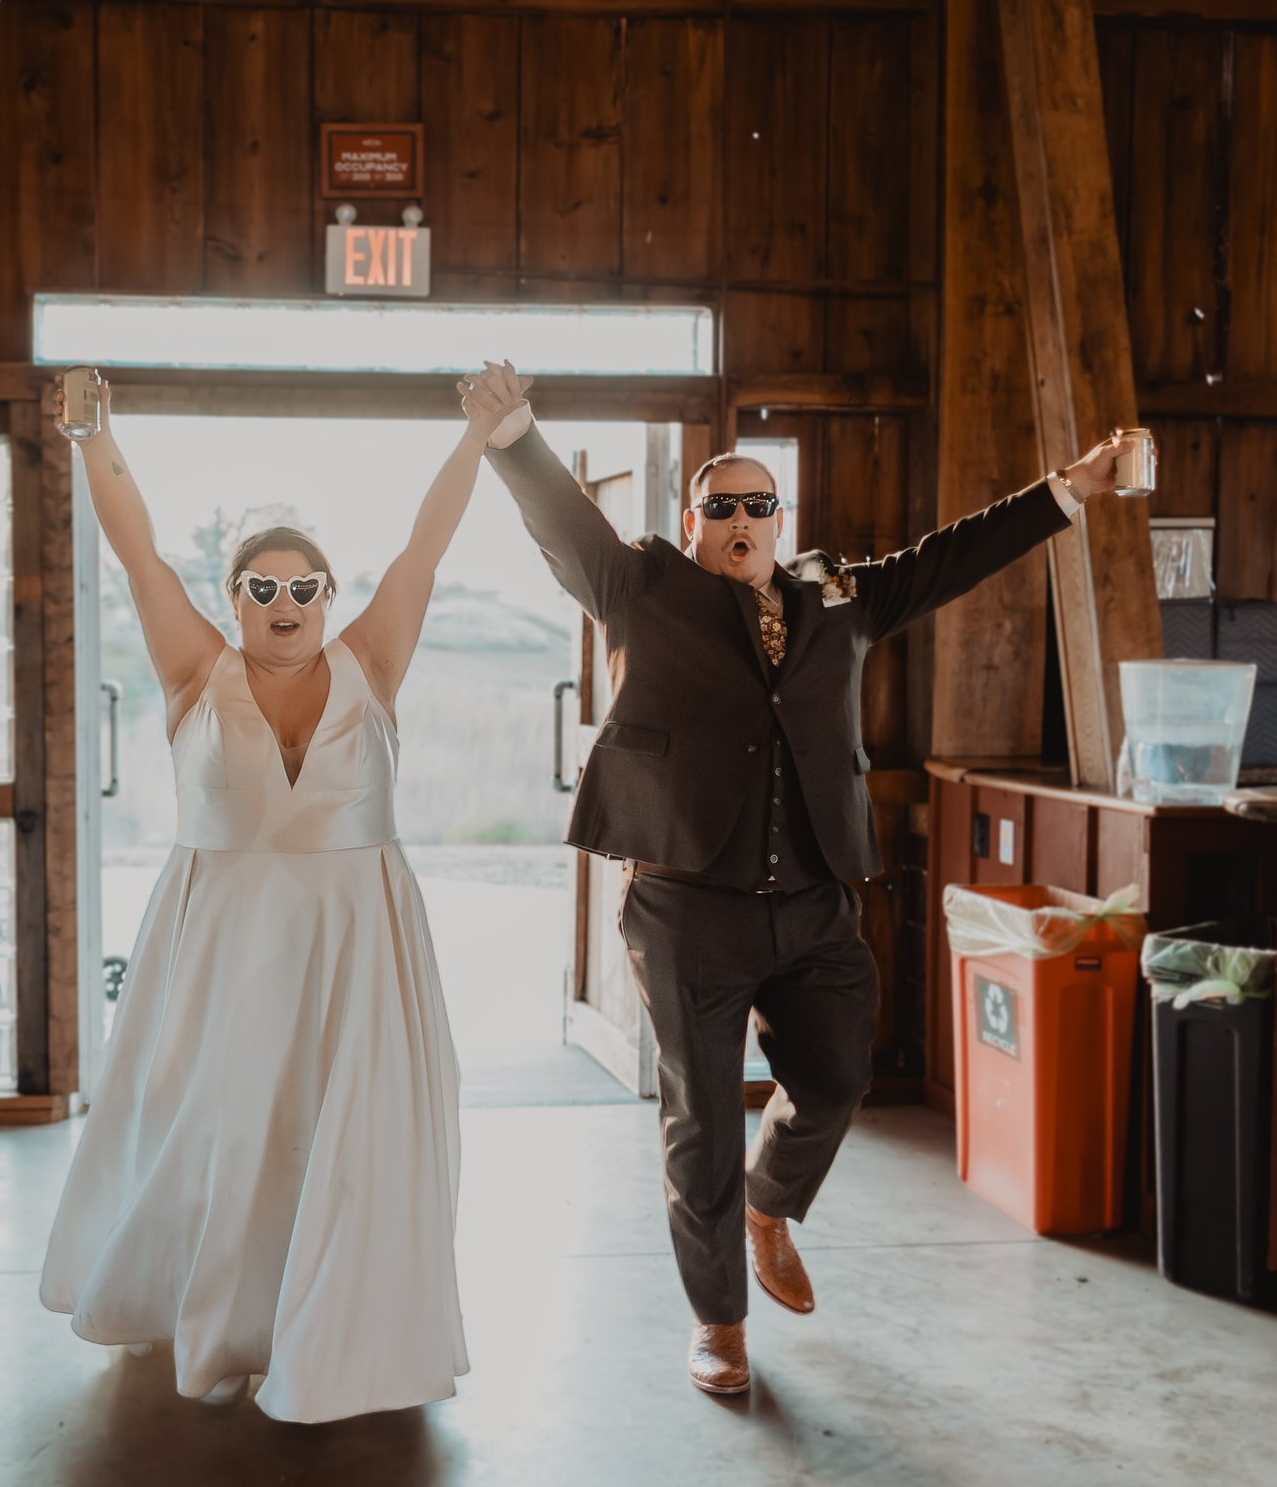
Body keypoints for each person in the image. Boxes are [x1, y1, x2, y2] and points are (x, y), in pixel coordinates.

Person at [459, 360, 1130, 1397]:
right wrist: (515, 436)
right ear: (692, 520)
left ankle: (770, 1204)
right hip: (686, 905)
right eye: (719, 504)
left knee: (833, 1079)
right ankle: (718, 1320)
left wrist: (1067, 490)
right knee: (699, 1117)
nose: (739, 518)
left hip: (816, 897)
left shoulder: (839, 594)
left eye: (756, 504)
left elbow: (952, 556)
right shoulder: (642, 584)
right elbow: (565, 529)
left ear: (781, 519)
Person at [39, 377, 497, 1424]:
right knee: (221, 1128)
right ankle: (227, 1314)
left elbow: (425, 549)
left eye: (303, 588)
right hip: (219, 943)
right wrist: (92, 434)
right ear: (233, 593)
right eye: (261, 588)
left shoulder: (372, 663)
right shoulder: (193, 670)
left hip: (357, 941)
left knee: (348, 1130)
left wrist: (478, 436)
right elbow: (136, 551)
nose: (283, 606)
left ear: (331, 595)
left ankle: (337, 1328)